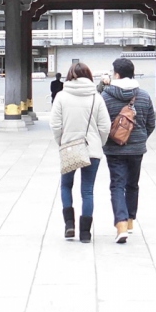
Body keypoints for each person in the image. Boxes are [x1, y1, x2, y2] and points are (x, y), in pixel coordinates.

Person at [50, 62, 110, 242]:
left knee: (66, 185)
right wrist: (99, 143)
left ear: (69, 76)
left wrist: (62, 141)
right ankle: (85, 233)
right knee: (87, 190)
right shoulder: (96, 97)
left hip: (69, 147)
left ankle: (69, 225)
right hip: (92, 148)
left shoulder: (61, 96)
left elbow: (55, 125)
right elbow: (105, 126)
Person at [101, 57, 155, 244]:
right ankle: (130, 221)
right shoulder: (144, 96)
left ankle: (121, 224)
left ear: (116, 74)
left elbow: (101, 124)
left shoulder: (105, 97)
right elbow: (150, 123)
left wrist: (108, 140)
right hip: (137, 149)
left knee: (117, 185)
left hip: (114, 148)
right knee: (133, 184)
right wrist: (140, 139)